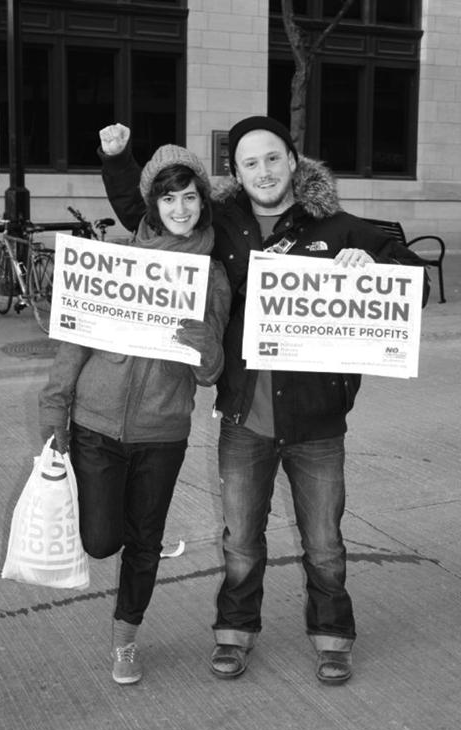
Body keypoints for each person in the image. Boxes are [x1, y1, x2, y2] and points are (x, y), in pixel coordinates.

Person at [98, 117, 430, 686]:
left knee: (324, 543)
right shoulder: (222, 224)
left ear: (293, 161)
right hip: (244, 415)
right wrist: (119, 161)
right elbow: (148, 215)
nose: (263, 171)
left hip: (318, 420)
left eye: (273, 159)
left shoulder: (339, 227)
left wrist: (375, 268)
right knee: (241, 541)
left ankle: (333, 637)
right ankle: (234, 633)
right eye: (249, 162)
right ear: (236, 171)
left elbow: (416, 282)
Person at [39, 138, 231, 686]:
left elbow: (210, 372)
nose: (180, 209)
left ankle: (127, 640)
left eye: (190, 198)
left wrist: (203, 345)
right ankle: (129, 523)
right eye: (169, 199)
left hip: (162, 433)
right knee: (101, 541)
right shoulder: (117, 260)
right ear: (152, 203)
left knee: (143, 544)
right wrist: (55, 416)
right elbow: (73, 346)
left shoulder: (212, 275)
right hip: (97, 426)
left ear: (202, 203)